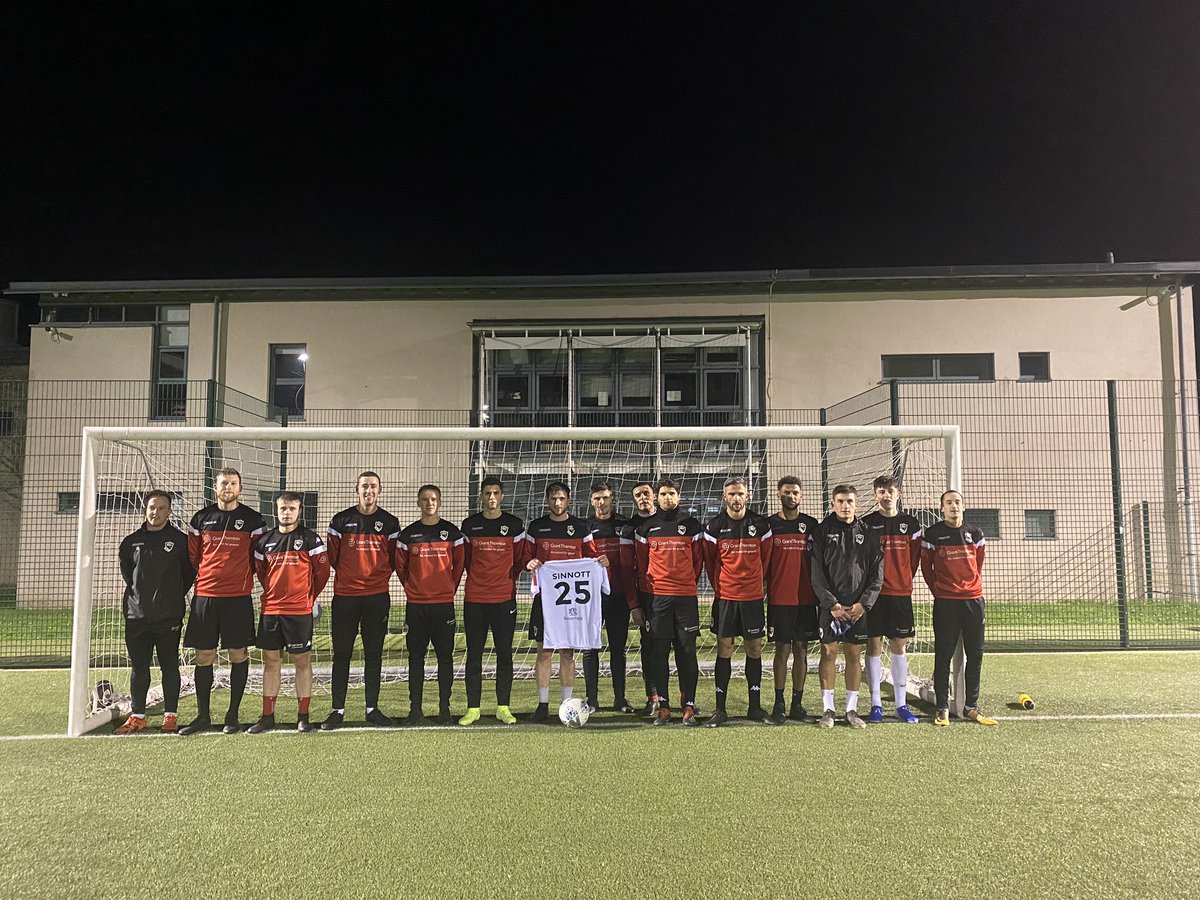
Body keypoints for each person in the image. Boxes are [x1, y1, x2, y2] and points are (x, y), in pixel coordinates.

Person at [180, 468, 266, 736]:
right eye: (223, 484)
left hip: (238, 598)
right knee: (203, 656)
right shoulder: (201, 518)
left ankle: (232, 715)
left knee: (238, 654)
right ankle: (203, 716)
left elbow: (258, 557)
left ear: (240, 488)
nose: (228, 488)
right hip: (205, 597)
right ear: (214, 488)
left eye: (233, 483)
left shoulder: (253, 520)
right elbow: (194, 556)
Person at [323, 471, 401, 730]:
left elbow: (393, 559)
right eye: (365, 486)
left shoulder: (390, 523)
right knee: (341, 654)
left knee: (373, 654)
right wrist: (351, 576)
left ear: (380, 490)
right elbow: (333, 558)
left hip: (376, 598)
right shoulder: (340, 521)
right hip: (345, 598)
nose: (369, 491)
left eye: (373, 486)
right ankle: (337, 710)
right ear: (356, 489)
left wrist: (375, 577)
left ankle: (372, 709)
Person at [524, 480, 606, 723]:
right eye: (553, 499)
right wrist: (529, 563)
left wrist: (601, 562)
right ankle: (542, 705)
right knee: (544, 652)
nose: (557, 503)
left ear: (568, 500)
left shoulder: (580, 527)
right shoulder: (537, 527)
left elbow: (592, 558)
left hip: (571, 604)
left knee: (567, 653)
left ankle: (566, 704)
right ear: (547, 501)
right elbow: (526, 558)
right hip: (545, 601)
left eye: (561, 498)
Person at [249, 492, 330, 733]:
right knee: (271, 662)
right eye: (283, 508)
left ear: (299, 511)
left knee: (302, 662)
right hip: (272, 610)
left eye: (292, 508)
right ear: (276, 510)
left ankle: (303, 716)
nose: (287, 512)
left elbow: (322, 574)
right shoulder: (264, 541)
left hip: (299, 611)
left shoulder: (310, 539)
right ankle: (267, 716)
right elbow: (262, 573)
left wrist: (307, 598)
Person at [115, 490, 195, 734]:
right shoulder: (131, 542)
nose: (155, 512)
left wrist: (170, 597)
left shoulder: (180, 541)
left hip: (168, 616)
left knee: (169, 665)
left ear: (169, 511)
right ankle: (138, 716)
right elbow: (128, 574)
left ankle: (170, 716)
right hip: (136, 615)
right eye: (152, 507)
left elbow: (188, 575)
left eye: (161, 508)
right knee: (139, 667)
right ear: (145, 509)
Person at [920, 489, 997, 727]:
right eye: (948, 503)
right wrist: (940, 591)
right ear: (942, 508)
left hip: (973, 600)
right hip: (946, 602)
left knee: (976, 653)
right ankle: (942, 707)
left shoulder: (976, 533)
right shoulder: (933, 534)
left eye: (957, 502)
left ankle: (971, 706)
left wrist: (969, 587)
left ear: (963, 506)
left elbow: (978, 565)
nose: (953, 506)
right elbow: (926, 568)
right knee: (943, 655)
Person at [810, 484, 884, 729]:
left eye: (849, 501)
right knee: (829, 653)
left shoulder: (869, 533)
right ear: (833, 504)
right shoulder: (821, 532)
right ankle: (828, 710)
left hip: (857, 609)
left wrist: (864, 604)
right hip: (831, 607)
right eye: (840, 501)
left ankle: (851, 710)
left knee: (854, 655)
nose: (845, 506)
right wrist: (831, 604)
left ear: (857, 504)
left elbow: (877, 574)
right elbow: (816, 573)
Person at [703, 477, 773, 727]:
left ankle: (755, 707)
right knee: (725, 649)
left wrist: (754, 584)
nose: (736, 498)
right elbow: (710, 563)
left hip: (752, 599)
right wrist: (722, 589)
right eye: (731, 494)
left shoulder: (761, 525)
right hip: (726, 599)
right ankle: (720, 709)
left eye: (740, 494)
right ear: (724, 497)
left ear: (748, 496)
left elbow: (766, 560)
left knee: (754, 649)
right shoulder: (713, 527)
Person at [633, 478, 704, 726]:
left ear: (678, 496)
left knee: (687, 651)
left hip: (685, 598)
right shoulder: (646, 528)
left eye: (671, 493)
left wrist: (685, 583)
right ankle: (664, 706)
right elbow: (642, 564)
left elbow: (698, 562)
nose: (667, 498)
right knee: (659, 653)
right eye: (663, 494)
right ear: (657, 497)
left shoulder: (691, 525)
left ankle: (688, 705)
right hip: (658, 600)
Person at [395, 484, 466, 725]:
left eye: (433, 499)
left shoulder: (452, 533)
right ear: (418, 503)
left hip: (443, 605)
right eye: (425, 499)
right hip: (416, 606)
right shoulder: (408, 535)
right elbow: (401, 568)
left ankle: (444, 709)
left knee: (445, 657)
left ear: (440, 502)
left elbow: (459, 566)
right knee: (416, 658)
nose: (429, 503)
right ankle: (415, 709)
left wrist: (448, 588)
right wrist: (413, 588)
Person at [459, 475, 525, 726]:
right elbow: (466, 560)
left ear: (502, 496)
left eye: (496, 493)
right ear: (481, 497)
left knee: (504, 653)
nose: (492, 497)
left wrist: (503, 579)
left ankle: (503, 707)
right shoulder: (469, 525)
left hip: (504, 598)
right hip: (475, 599)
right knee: (474, 654)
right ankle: (473, 708)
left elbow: (519, 560)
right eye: (487, 493)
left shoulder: (514, 525)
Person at [862, 475, 923, 724]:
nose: (886, 495)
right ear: (875, 495)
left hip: (900, 594)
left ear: (898, 494)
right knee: (873, 645)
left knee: (898, 646)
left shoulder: (911, 524)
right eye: (881, 491)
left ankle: (901, 704)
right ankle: (876, 704)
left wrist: (902, 579)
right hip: (874, 595)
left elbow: (915, 559)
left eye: (890, 490)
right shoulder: (867, 524)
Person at [765, 476, 821, 724]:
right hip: (779, 598)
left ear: (801, 496)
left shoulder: (811, 525)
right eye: (786, 492)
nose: (791, 496)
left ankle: (797, 704)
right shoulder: (769, 525)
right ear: (779, 495)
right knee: (782, 649)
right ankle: (779, 704)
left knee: (801, 649)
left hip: (806, 599)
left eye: (795, 492)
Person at [583, 481, 638, 714]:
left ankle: (620, 698)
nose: (601, 502)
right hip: (592, 599)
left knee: (618, 648)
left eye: (605, 497)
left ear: (612, 498)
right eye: (597, 498)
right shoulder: (584, 527)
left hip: (618, 596)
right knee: (590, 649)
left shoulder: (625, 525)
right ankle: (591, 699)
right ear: (591, 501)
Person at [630, 481, 660, 715]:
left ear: (654, 496)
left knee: (680, 646)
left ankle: (684, 699)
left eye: (646, 493)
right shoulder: (630, 528)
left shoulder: (670, 521)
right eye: (638, 495)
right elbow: (629, 568)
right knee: (648, 646)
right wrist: (634, 604)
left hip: (672, 594)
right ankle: (653, 697)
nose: (643, 498)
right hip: (646, 596)